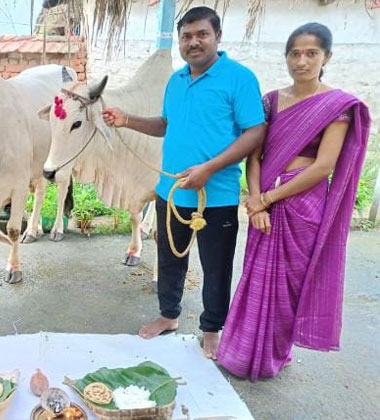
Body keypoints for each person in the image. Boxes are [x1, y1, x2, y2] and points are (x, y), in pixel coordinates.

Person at [102, 6, 266, 358]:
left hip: (216, 194)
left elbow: (256, 131)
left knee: (216, 266)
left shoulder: (240, 78)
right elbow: (165, 125)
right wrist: (126, 119)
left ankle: (211, 328)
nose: (193, 42)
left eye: (201, 35)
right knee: (169, 260)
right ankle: (168, 315)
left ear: (217, 37)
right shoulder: (175, 82)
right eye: (186, 36)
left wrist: (210, 167)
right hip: (171, 192)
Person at [217, 23, 371, 380]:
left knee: (288, 285)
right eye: (295, 53)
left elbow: (324, 166)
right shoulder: (270, 100)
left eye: (311, 53)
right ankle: (240, 354)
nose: (301, 61)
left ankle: (271, 358)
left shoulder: (336, 106)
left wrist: (268, 198)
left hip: (303, 206)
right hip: (264, 203)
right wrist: (256, 200)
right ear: (286, 57)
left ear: (326, 57)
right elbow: (254, 154)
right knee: (256, 276)